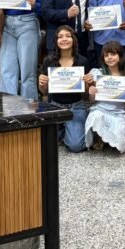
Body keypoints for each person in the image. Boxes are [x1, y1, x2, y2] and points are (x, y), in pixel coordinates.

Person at [38, 25, 93, 153]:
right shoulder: (49, 61)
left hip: (76, 106)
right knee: (46, 142)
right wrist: (42, 84)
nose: (64, 39)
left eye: (68, 36)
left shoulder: (82, 61)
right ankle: (62, 129)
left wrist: (88, 83)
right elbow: (44, 92)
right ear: (56, 41)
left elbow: (85, 93)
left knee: (76, 146)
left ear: (74, 39)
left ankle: (64, 131)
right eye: (60, 37)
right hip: (54, 106)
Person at [0, 0, 43, 99]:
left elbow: (45, 10)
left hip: (28, 24)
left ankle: (29, 113)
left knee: (27, 71)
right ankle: (10, 115)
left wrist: (35, 5)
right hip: (7, 26)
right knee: (6, 70)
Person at [85, 41, 125, 152]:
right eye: (106, 55)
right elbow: (92, 100)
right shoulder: (97, 73)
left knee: (121, 140)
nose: (109, 57)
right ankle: (99, 137)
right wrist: (92, 92)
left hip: (119, 112)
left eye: (113, 54)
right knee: (96, 116)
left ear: (120, 56)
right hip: (100, 108)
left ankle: (107, 138)